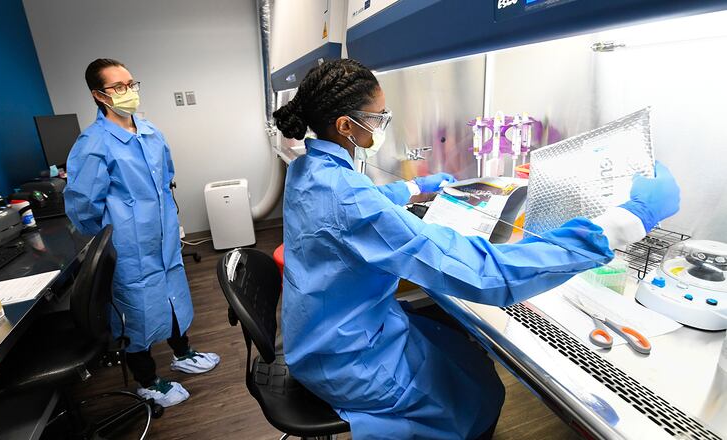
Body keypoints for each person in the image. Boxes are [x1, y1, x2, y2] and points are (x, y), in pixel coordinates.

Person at [273, 59, 680, 440]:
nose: (383, 124)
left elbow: (357, 200)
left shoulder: (309, 168)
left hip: (319, 335)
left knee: (463, 358)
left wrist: (416, 187)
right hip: (347, 360)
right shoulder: (349, 201)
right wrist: (626, 221)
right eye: (379, 117)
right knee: (479, 395)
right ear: (346, 125)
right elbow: (486, 275)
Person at [64, 58, 220, 408]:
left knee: (173, 295)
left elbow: (167, 177)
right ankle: (148, 381)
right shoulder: (94, 144)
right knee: (136, 311)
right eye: (118, 87)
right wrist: (115, 236)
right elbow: (83, 207)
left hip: (163, 239)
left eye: (131, 84)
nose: (128, 92)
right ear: (99, 95)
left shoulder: (150, 132)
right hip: (128, 248)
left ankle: (183, 352)